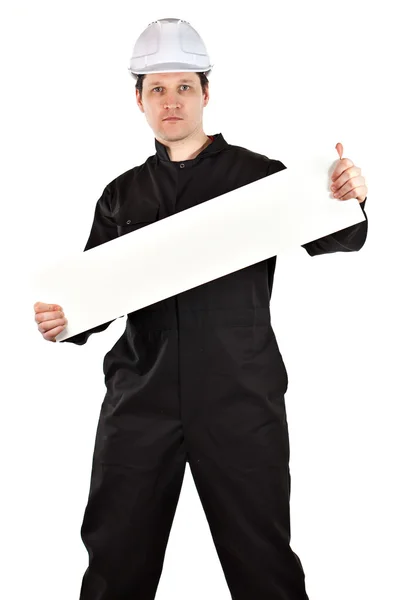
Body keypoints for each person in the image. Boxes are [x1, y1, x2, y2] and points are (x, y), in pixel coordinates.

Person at [33, 17, 368, 600]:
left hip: (240, 399)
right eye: (157, 89)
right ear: (137, 99)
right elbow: (88, 302)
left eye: (183, 86)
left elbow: (337, 236)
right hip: (141, 401)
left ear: (206, 94)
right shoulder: (121, 195)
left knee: (265, 569)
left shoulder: (259, 177)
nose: (171, 101)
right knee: (115, 566)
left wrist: (348, 195)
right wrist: (63, 323)